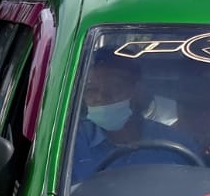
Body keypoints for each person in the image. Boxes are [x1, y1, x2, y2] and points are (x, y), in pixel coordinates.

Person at [70, 58, 202, 182]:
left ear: (136, 91)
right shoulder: (68, 145)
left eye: (115, 88)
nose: (101, 97)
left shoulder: (178, 146)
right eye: (91, 90)